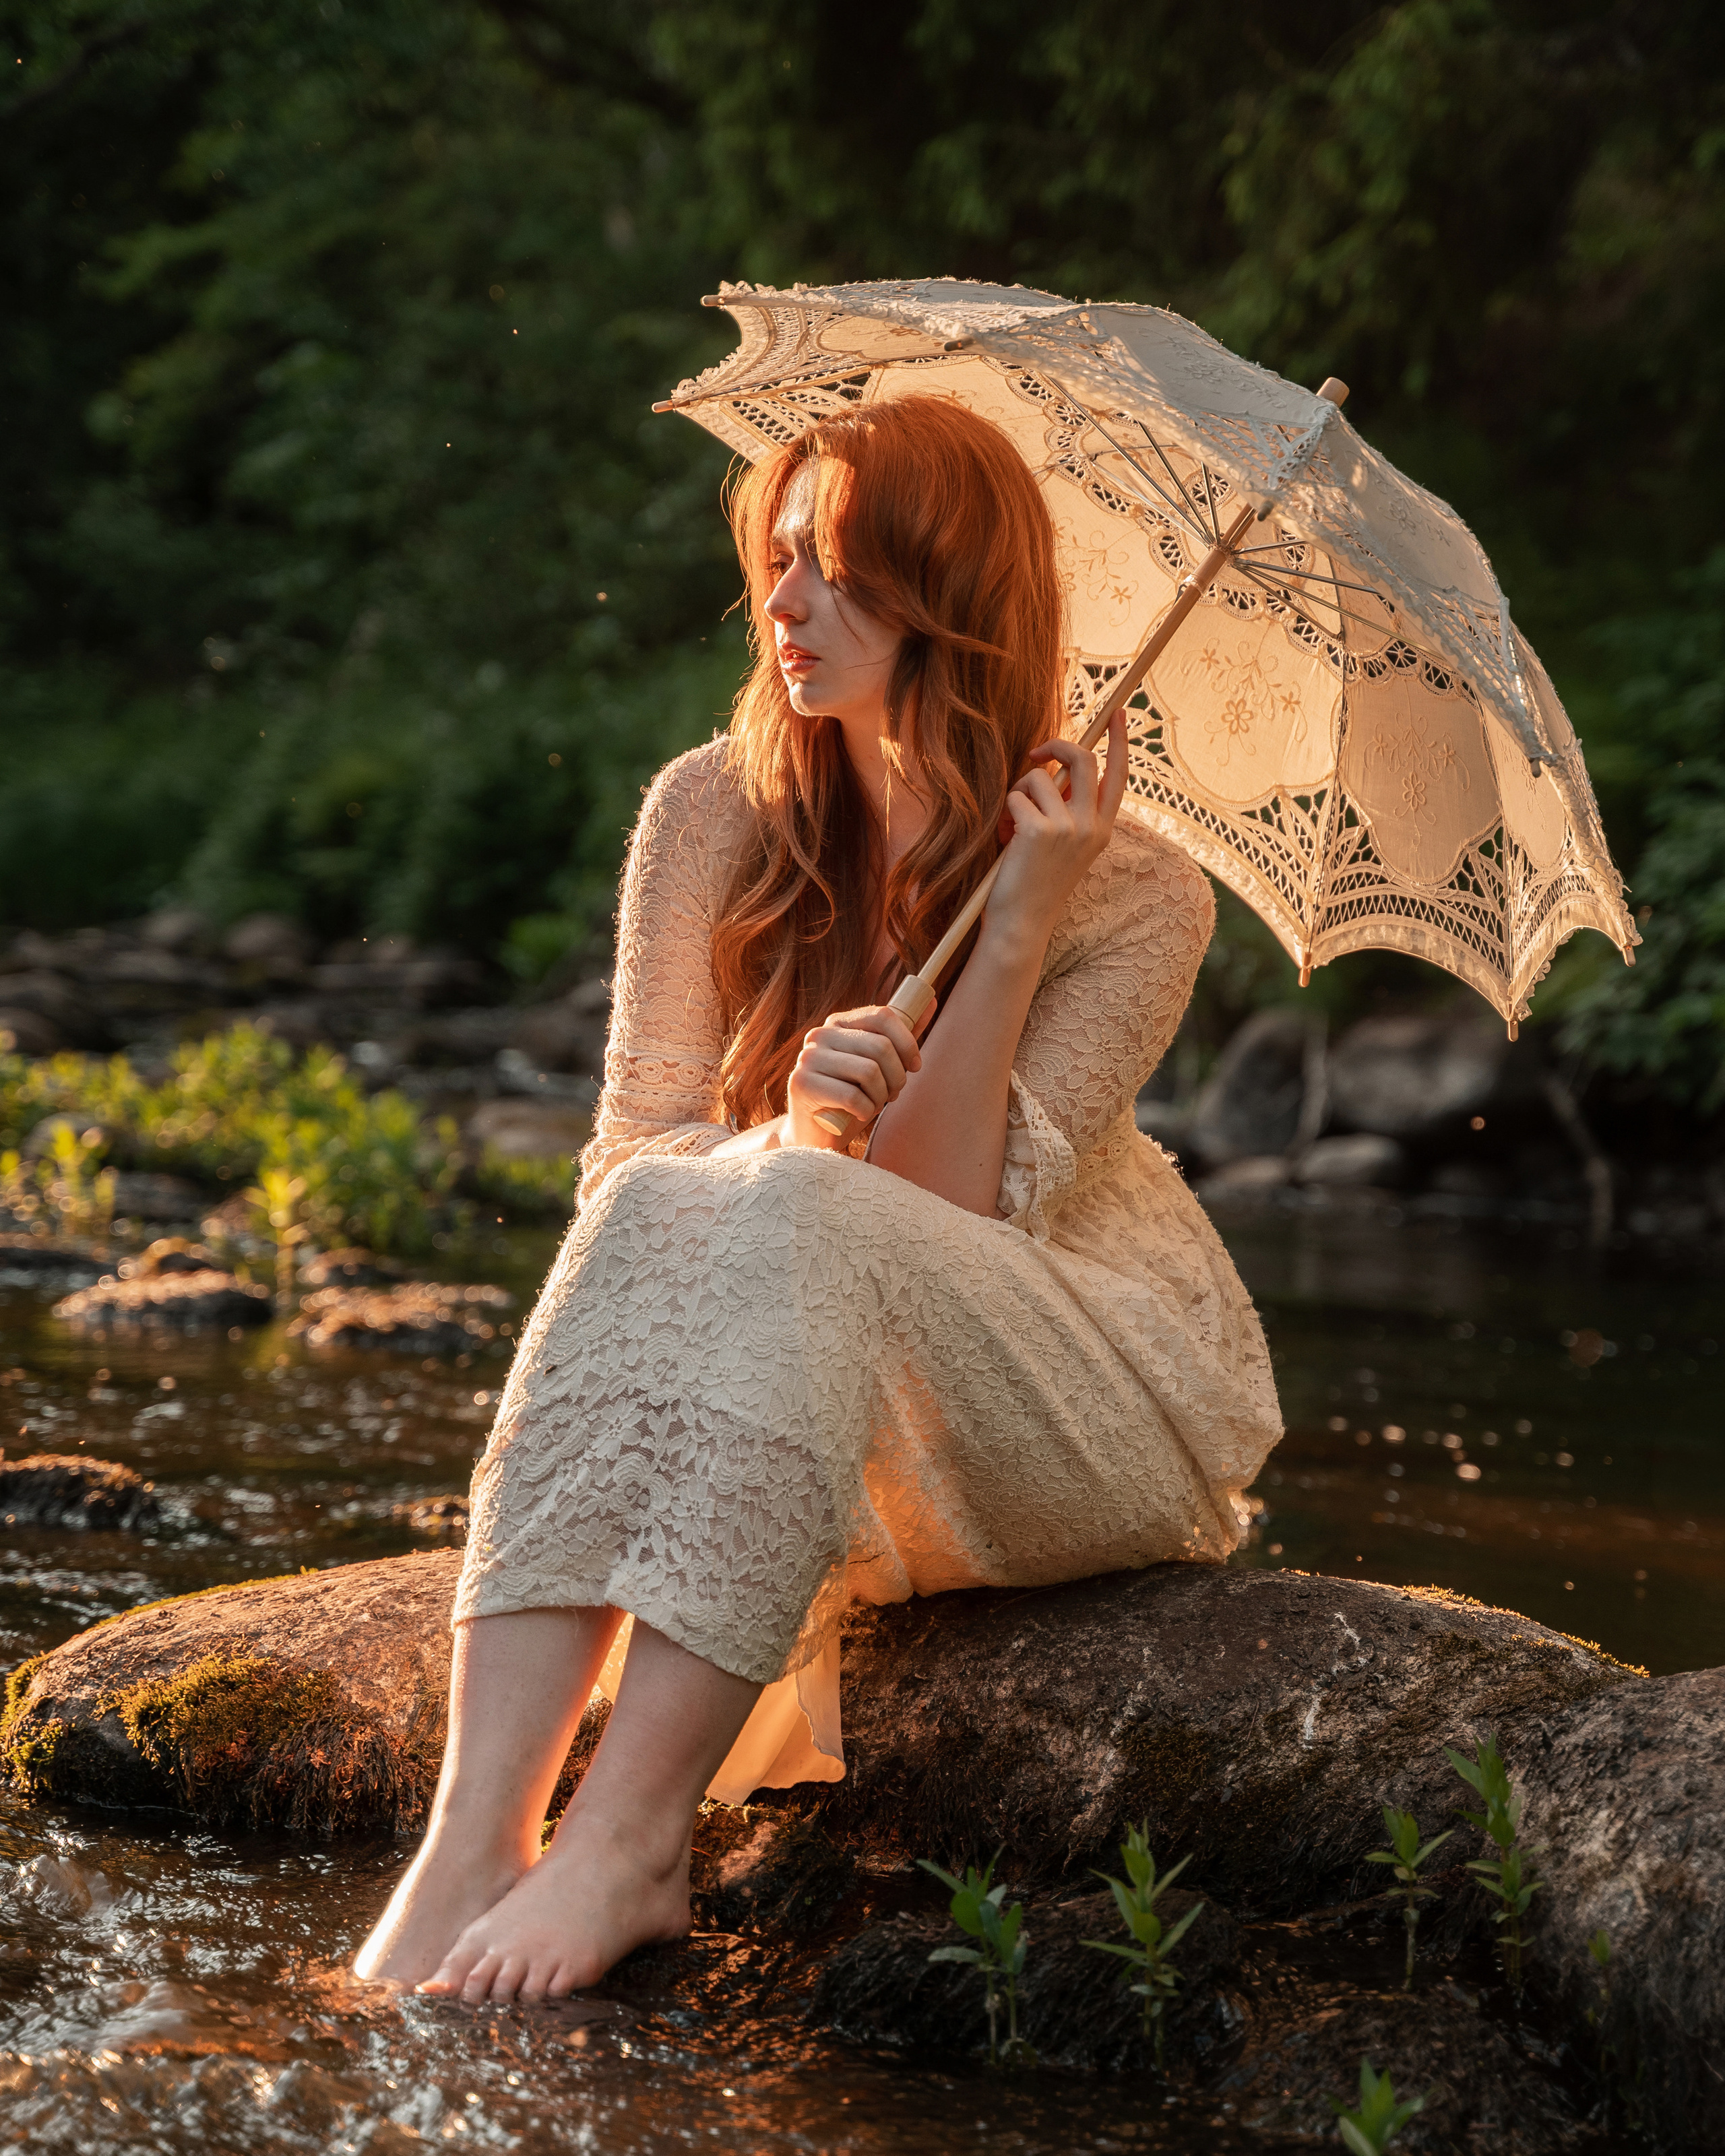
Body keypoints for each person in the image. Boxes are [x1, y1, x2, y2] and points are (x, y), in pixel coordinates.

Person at [354, 395, 1282, 2004]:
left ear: (950, 599)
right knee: (683, 1199)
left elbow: (950, 1220)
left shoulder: (1135, 890)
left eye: (837, 572)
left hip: (1070, 1386)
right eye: (774, 560)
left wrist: (1012, 928)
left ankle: (630, 1844)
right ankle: (473, 1836)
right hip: (799, 1352)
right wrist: (781, 1123)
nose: (783, 606)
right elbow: (626, 1178)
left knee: (803, 1207)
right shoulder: (706, 812)